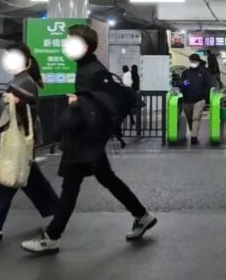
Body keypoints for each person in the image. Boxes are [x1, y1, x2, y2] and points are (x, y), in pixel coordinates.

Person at [21, 24, 157, 255]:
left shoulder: (93, 72)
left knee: (70, 188)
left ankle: (51, 236)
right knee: (107, 179)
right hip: (88, 141)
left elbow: (104, 106)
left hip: (85, 141)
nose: (66, 46)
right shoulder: (88, 68)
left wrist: (80, 105)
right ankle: (142, 215)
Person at [0, 44, 60, 244]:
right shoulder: (21, 80)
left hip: (19, 139)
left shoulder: (23, 82)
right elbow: (3, 107)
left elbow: (12, 106)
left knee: (5, 182)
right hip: (22, 138)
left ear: (27, 62)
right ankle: (58, 213)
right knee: (31, 180)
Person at [179, 53, 216, 145]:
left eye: (195, 61)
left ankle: (194, 137)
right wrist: (183, 84)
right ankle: (193, 132)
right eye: (192, 61)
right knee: (190, 118)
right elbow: (179, 84)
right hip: (187, 100)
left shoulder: (203, 73)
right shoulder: (185, 73)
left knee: (196, 118)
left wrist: (207, 97)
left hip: (200, 100)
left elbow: (211, 84)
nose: (193, 63)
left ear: (198, 62)